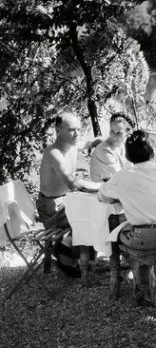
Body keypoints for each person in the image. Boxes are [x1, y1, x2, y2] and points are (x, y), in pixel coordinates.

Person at [98, 130, 156, 303]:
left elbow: (102, 197)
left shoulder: (122, 176)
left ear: (128, 156)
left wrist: (124, 194)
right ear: (152, 152)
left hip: (148, 240)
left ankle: (146, 289)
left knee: (119, 236)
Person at [36, 112, 101, 276]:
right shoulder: (53, 153)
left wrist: (105, 140)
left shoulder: (73, 145)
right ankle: (68, 257)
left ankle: (80, 257)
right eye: (72, 130)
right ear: (58, 130)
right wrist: (101, 186)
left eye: (79, 129)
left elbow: (90, 142)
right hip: (52, 207)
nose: (77, 134)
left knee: (97, 208)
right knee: (92, 212)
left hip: (67, 201)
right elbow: (73, 184)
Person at [89, 112, 133, 182]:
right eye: (112, 131)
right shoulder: (104, 150)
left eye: (119, 133)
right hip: (105, 191)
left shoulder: (124, 147)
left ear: (128, 133)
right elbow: (120, 178)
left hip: (119, 189)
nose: (113, 136)